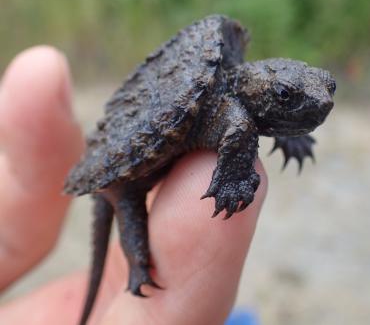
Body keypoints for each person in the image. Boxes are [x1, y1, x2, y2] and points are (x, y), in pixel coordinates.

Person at [0, 46, 267, 324]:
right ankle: (136, 271)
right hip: (124, 178)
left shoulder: (232, 99)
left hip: (146, 152)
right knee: (129, 219)